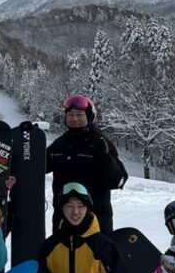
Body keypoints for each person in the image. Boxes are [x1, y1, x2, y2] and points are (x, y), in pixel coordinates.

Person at [45, 94, 128, 235]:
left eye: (80, 114)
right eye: (70, 114)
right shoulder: (59, 144)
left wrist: (106, 158)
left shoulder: (101, 142)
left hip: (96, 223)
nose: (74, 119)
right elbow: (38, 169)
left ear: (90, 116)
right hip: (63, 221)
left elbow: (119, 181)